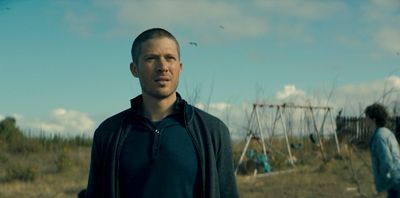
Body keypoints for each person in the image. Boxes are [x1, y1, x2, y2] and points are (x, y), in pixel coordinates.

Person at [82, 28, 238, 198]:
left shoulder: (212, 131)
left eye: (170, 58)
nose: (163, 67)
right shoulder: (109, 133)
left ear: (180, 67)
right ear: (134, 69)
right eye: (151, 58)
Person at [366, 103, 400, 198]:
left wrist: (382, 186)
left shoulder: (379, 137)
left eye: (367, 117)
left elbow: (386, 163)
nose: (365, 119)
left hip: (393, 183)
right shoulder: (387, 133)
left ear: (373, 119)